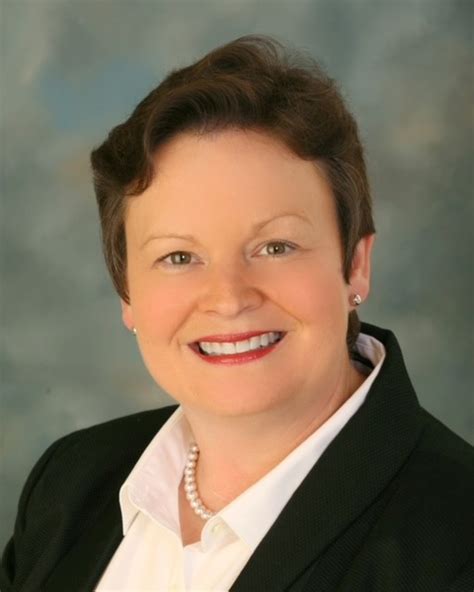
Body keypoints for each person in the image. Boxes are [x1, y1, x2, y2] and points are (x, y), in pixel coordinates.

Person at [1, 34, 473, 592]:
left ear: (355, 265)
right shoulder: (69, 483)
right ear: (128, 294)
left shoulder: (456, 545)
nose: (228, 298)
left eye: (275, 247)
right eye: (179, 257)